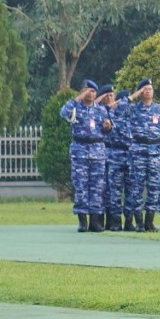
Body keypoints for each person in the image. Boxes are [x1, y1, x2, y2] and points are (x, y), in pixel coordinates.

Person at [59, 81, 107, 232]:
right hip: (80, 151)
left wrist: (108, 126)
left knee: (97, 187)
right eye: (87, 91)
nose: (90, 94)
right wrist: (78, 98)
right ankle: (82, 221)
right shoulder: (75, 107)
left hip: (97, 151)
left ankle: (94, 221)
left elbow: (108, 129)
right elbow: (63, 113)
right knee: (81, 186)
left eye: (93, 91)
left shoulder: (101, 110)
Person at [123, 79, 160, 230]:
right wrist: (133, 96)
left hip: (155, 152)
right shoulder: (133, 108)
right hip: (138, 152)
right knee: (137, 187)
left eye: (150, 88)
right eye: (145, 89)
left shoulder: (159, 110)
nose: (148, 91)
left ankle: (150, 221)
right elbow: (118, 111)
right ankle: (139, 222)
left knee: (154, 187)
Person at [101, 83, 131, 230]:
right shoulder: (108, 113)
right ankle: (113, 221)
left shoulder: (132, 116)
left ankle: (129, 221)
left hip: (130, 155)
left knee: (131, 190)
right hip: (111, 155)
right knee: (111, 190)